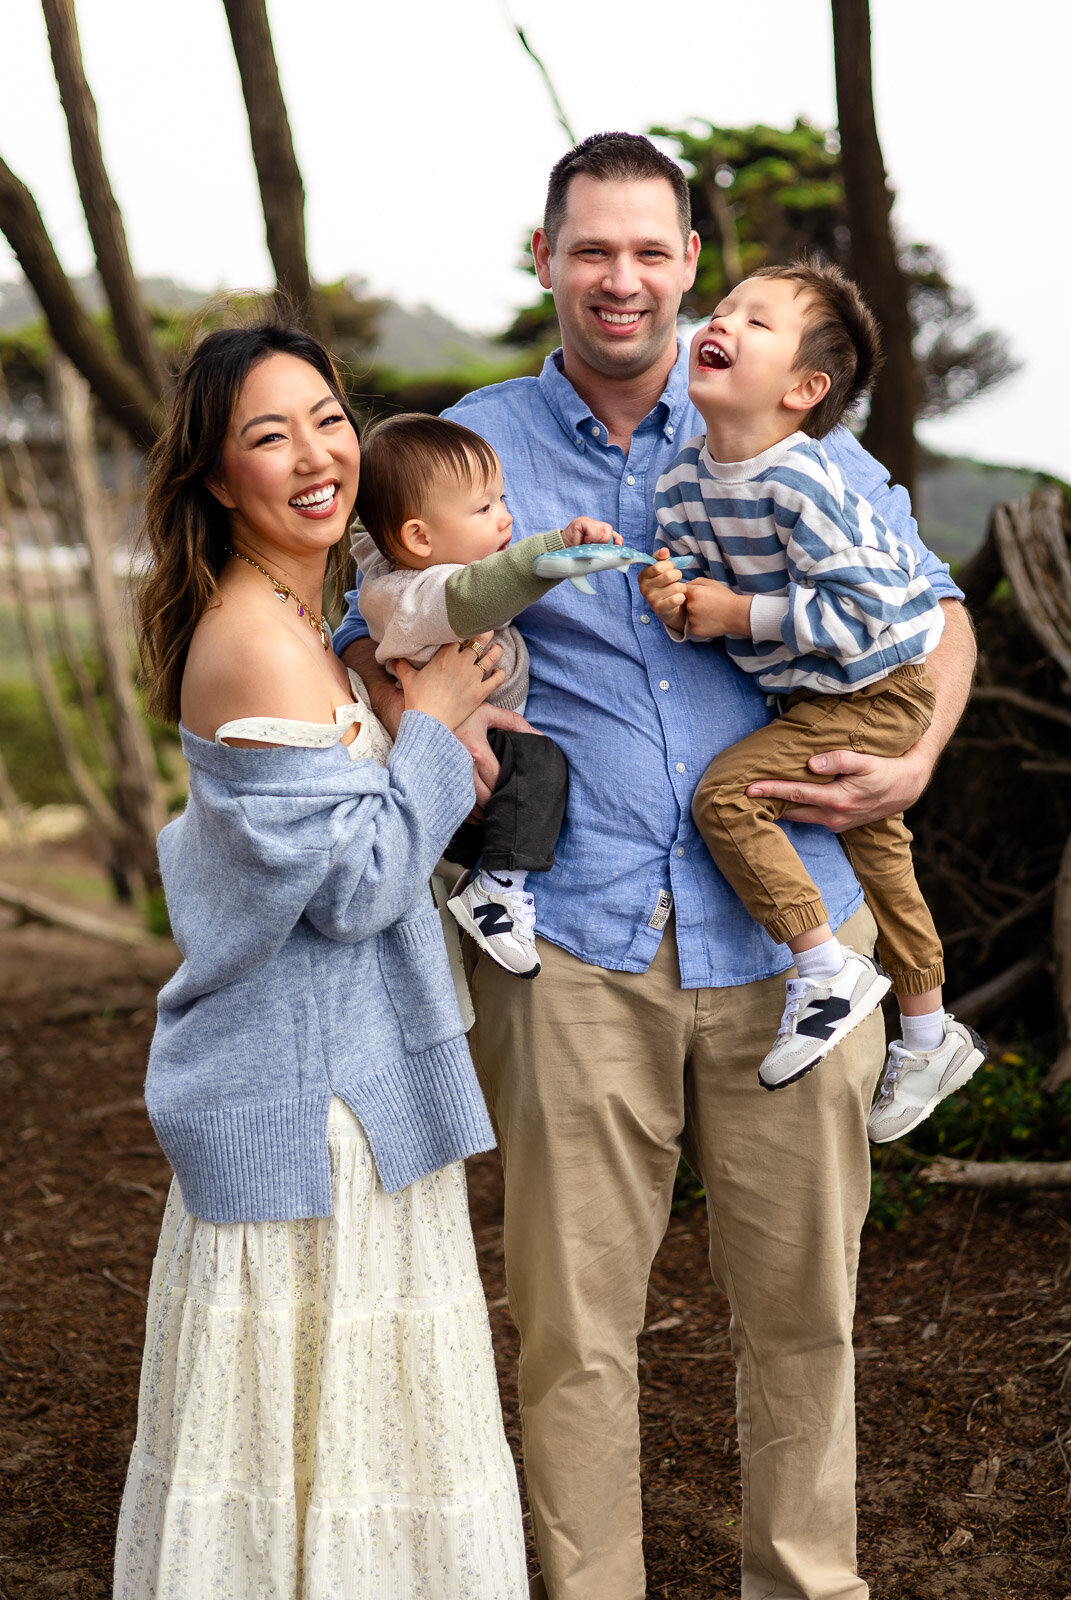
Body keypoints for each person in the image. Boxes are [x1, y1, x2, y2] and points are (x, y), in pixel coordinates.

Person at [335, 133, 976, 1600]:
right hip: (566, 947)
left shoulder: (783, 428)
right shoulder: (464, 444)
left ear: (688, 264)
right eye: (588, 250)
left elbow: (932, 611)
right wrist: (434, 725)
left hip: (794, 931)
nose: (618, 279)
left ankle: (804, 1583)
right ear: (546, 260)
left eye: (648, 251)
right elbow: (367, 634)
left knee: (804, 1315)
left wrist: (918, 750)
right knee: (571, 1330)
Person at [113, 321, 528, 1599]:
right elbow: (353, 888)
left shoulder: (313, 623)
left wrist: (426, 739)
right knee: (318, 1451)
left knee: (358, 1449)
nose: (316, 454)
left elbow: (360, 848)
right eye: (267, 434)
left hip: (347, 1089)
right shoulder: (256, 640)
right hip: (309, 1115)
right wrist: (436, 732)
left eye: (329, 418)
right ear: (217, 478)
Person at [638, 258, 986, 1132]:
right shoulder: (682, 477)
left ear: (804, 388)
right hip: (817, 694)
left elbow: (867, 612)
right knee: (880, 857)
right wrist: (676, 599)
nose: (720, 323)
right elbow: (694, 588)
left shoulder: (805, 480)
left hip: (879, 683)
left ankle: (824, 969)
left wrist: (735, 611)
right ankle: (927, 1028)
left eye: (757, 322)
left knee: (726, 798)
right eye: (722, 309)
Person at [352, 411, 619, 978]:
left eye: (502, 500)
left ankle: (486, 880)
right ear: (418, 537)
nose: (506, 517)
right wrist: (554, 551)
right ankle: (497, 892)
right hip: (464, 747)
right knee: (542, 765)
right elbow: (479, 596)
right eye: (485, 508)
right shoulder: (415, 592)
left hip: (477, 747)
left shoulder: (411, 567)